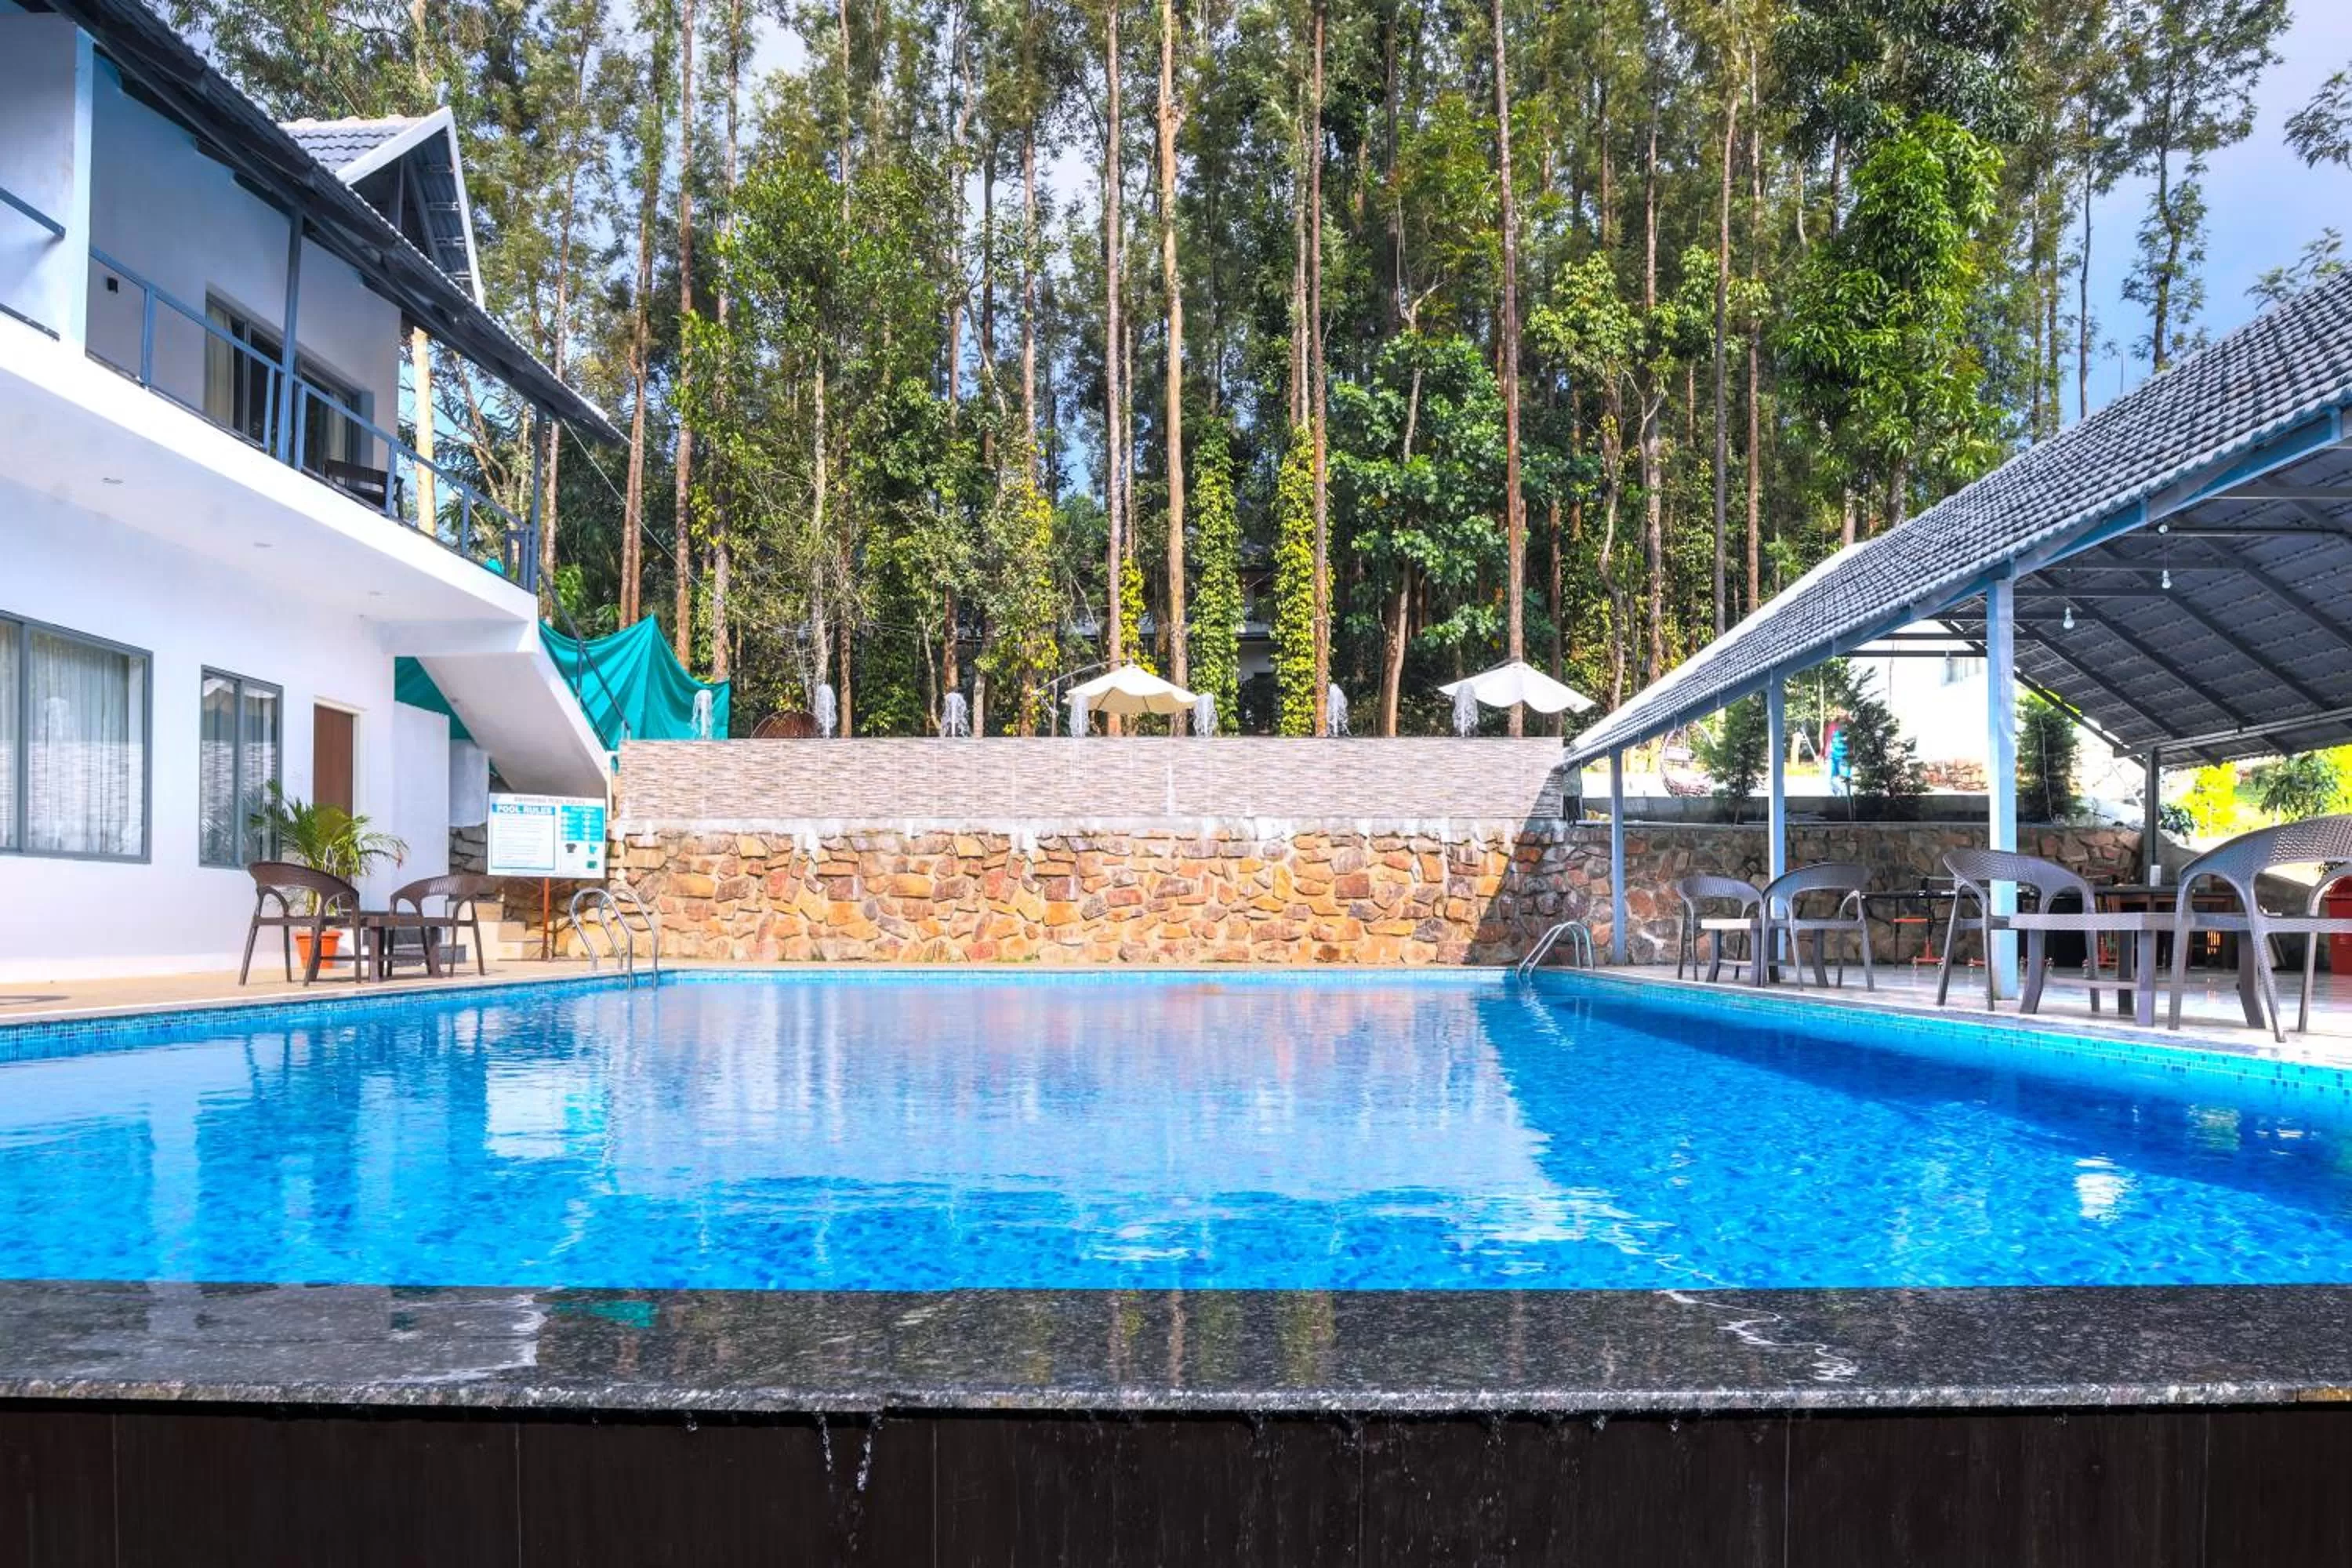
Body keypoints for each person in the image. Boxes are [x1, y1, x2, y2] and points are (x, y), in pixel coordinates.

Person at [1825, 720, 1849, 797]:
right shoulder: (1834, 732)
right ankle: (1836, 794)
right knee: (1833, 779)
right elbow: (1830, 743)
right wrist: (1827, 753)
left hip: (1843, 758)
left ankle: (1844, 795)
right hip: (1834, 757)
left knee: (1844, 779)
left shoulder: (1847, 735)